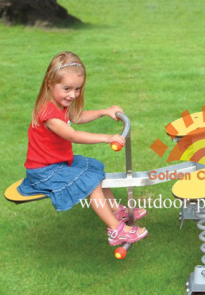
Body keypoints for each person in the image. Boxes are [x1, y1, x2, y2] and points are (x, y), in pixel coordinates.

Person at [18, 51, 148, 246]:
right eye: (67, 89)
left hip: (59, 163)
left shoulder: (60, 104)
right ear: (50, 84)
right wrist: (106, 138)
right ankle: (116, 230)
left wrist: (105, 111)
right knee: (90, 182)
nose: (72, 95)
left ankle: (115, 210)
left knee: (95, 168)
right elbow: (72, 135)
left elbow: (78, 116)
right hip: (44, 171)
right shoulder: (48, 113)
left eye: (77, 89)